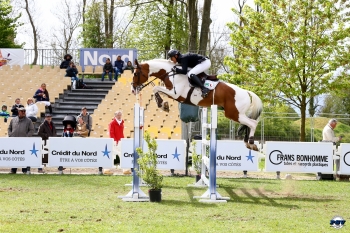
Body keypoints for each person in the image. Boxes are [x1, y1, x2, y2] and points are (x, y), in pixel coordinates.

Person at [8, 107, 34, 174]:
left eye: (24, 111)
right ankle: (13, 170)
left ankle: (24, 170)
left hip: (24, 141)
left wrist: (26, 137)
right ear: (18, 112)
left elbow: (31, 130)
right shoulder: (13, 120)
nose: (23, 112)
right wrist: (11, 135)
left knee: (24, 155)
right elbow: (9, 128)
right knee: (14, 155)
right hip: (14, 140)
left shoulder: (29, 120)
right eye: (22, 111)